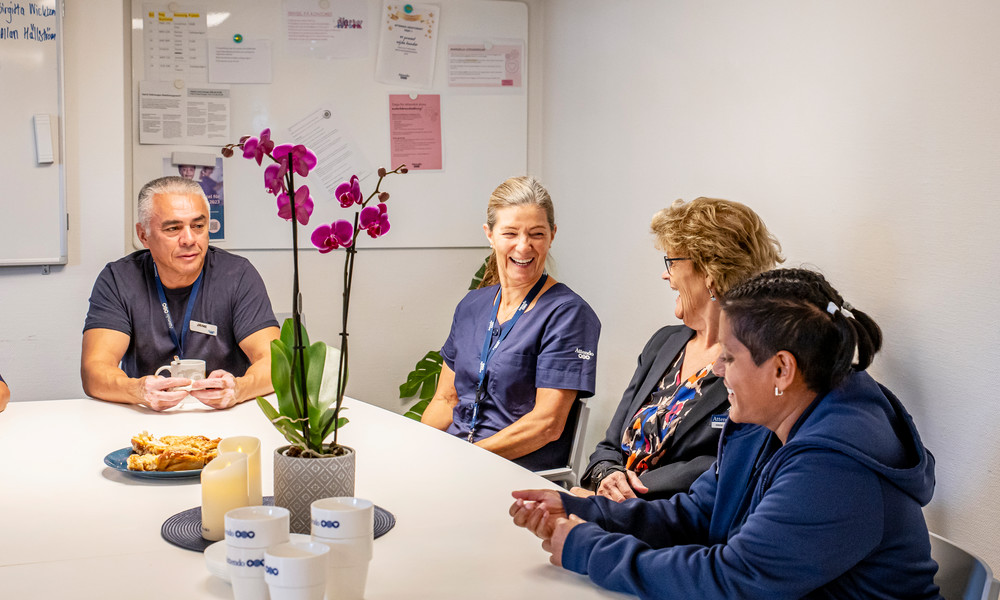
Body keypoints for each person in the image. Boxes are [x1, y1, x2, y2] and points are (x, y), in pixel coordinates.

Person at [510, 268, 941, 599]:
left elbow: (733, 581)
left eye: (729, 357)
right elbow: (696, 515)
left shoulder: (836, 469)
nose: (716, 369)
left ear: (782, 369)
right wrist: (585, 511)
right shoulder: (764, 419)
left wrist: (588, 549)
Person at [577, 197, 782, 501]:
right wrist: (606, 476)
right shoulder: (664, 342)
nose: (666, 274)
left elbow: (724, 467)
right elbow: (608, 446)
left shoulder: (756, 363)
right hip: (609, 506)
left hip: (671, 518)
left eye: (672, 263)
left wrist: (621, 499)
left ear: (710, 273)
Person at [421, 176, 601, 471]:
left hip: (515, 470)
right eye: (510, 233)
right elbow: (445, 399)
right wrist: (419, 451)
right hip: (459, 460)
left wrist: (466, 460)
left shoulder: (568, 314)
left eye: (537, 234)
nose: (523, 246)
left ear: (552, 235)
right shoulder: (472, 306)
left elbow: (546, 424)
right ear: (490, 235)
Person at [81, 176, 280, 411]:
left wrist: (238, 389)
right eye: (173, 228)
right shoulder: (118, 279)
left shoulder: (238, 275)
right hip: (146, 416)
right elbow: (94, 370)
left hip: (223, 414)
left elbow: (274, 362)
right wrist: (138, 390)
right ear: (143, 235)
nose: (189, 240)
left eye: (198, 226)